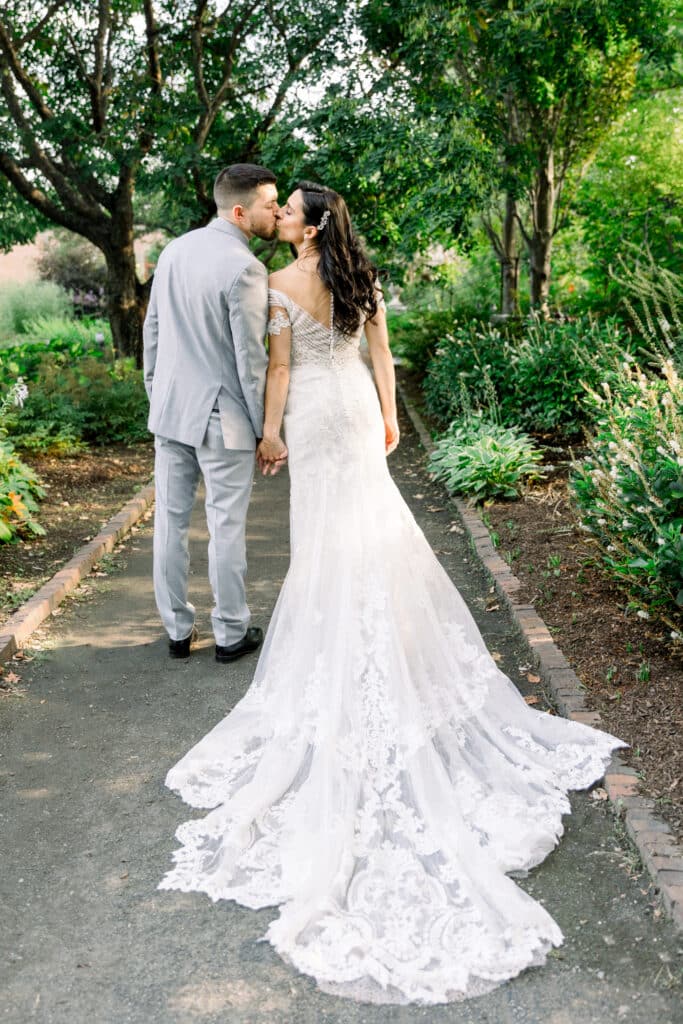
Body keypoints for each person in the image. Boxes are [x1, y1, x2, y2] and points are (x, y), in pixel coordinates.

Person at [158, 182, 625, 1005]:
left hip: (308, 412)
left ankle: (341, 656)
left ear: (305, 225)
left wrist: (270, 434)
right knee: (372, 535)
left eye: (289, 211)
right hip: (353, 409)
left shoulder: (277, 287)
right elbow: (381, 357)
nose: (281, 219)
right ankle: (388, 649)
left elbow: (276, 367)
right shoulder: (363, 279)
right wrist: (392, 419)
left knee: (325, 545)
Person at [143, 163, 280, 663]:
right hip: (222, 419)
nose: (278, 211)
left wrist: (156, 394)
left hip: (170, 412)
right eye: (270, 203)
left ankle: (177, 632)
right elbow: (251, 360)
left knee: (171, 524)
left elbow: (151, 333)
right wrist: (267, 430)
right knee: (225, 526)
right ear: (241, 211)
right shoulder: (246, 268)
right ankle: (229, 634)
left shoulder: (174, 251)